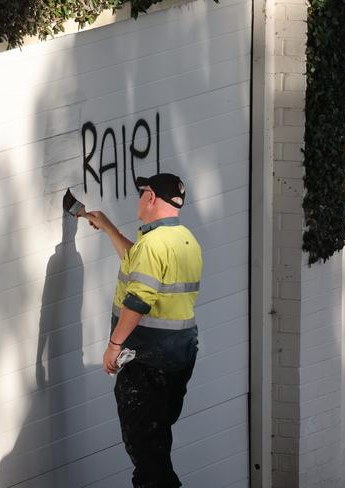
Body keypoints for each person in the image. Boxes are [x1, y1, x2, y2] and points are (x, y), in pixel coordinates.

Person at [85, 173, 202, 488]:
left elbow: (137, 301)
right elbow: (139, 263)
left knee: (145, 450)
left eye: (142, 192)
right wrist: (110, 229)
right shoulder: (185, 239)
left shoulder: (152, 245)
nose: (139, 198)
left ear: (151, 197)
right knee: (157, 441)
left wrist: (113, 345)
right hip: (179, 357)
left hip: (149, 362)